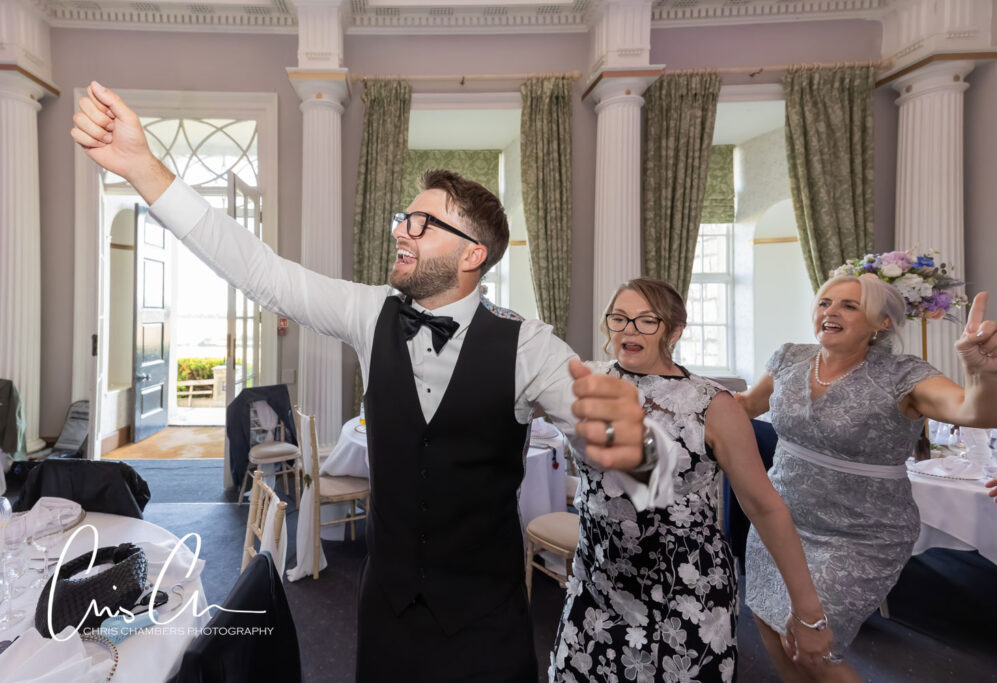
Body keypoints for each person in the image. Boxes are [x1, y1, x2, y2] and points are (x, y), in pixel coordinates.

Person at [72, 81, 676, 681]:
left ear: (472, 256)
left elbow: (642, 458)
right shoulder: (370, 311)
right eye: (403, 218)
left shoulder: (529, 345)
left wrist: (640, 448)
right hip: (384, 613)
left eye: (423, 223)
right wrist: (144, 169)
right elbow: (264, 273)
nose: (401, 230)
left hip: (486, 624)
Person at [736, 273, 997, 682]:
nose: (830, 311)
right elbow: (745, 405)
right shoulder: (789, 358)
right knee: (771, 623)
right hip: (779, 521)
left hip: (860, 534)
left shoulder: (904, 374)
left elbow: (977, 411)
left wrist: (986, 375)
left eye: (848, 306)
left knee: (813, 647)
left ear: (881, 323)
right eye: (825, 303)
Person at [550, 277, 833, 682]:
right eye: (619, 318)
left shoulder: (711, 404)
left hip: (683, 584)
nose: (628, 329)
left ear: (674, 330)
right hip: (598, 577)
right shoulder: (586, 385)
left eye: (646, 320)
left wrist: (808, 612)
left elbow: (764, 507)